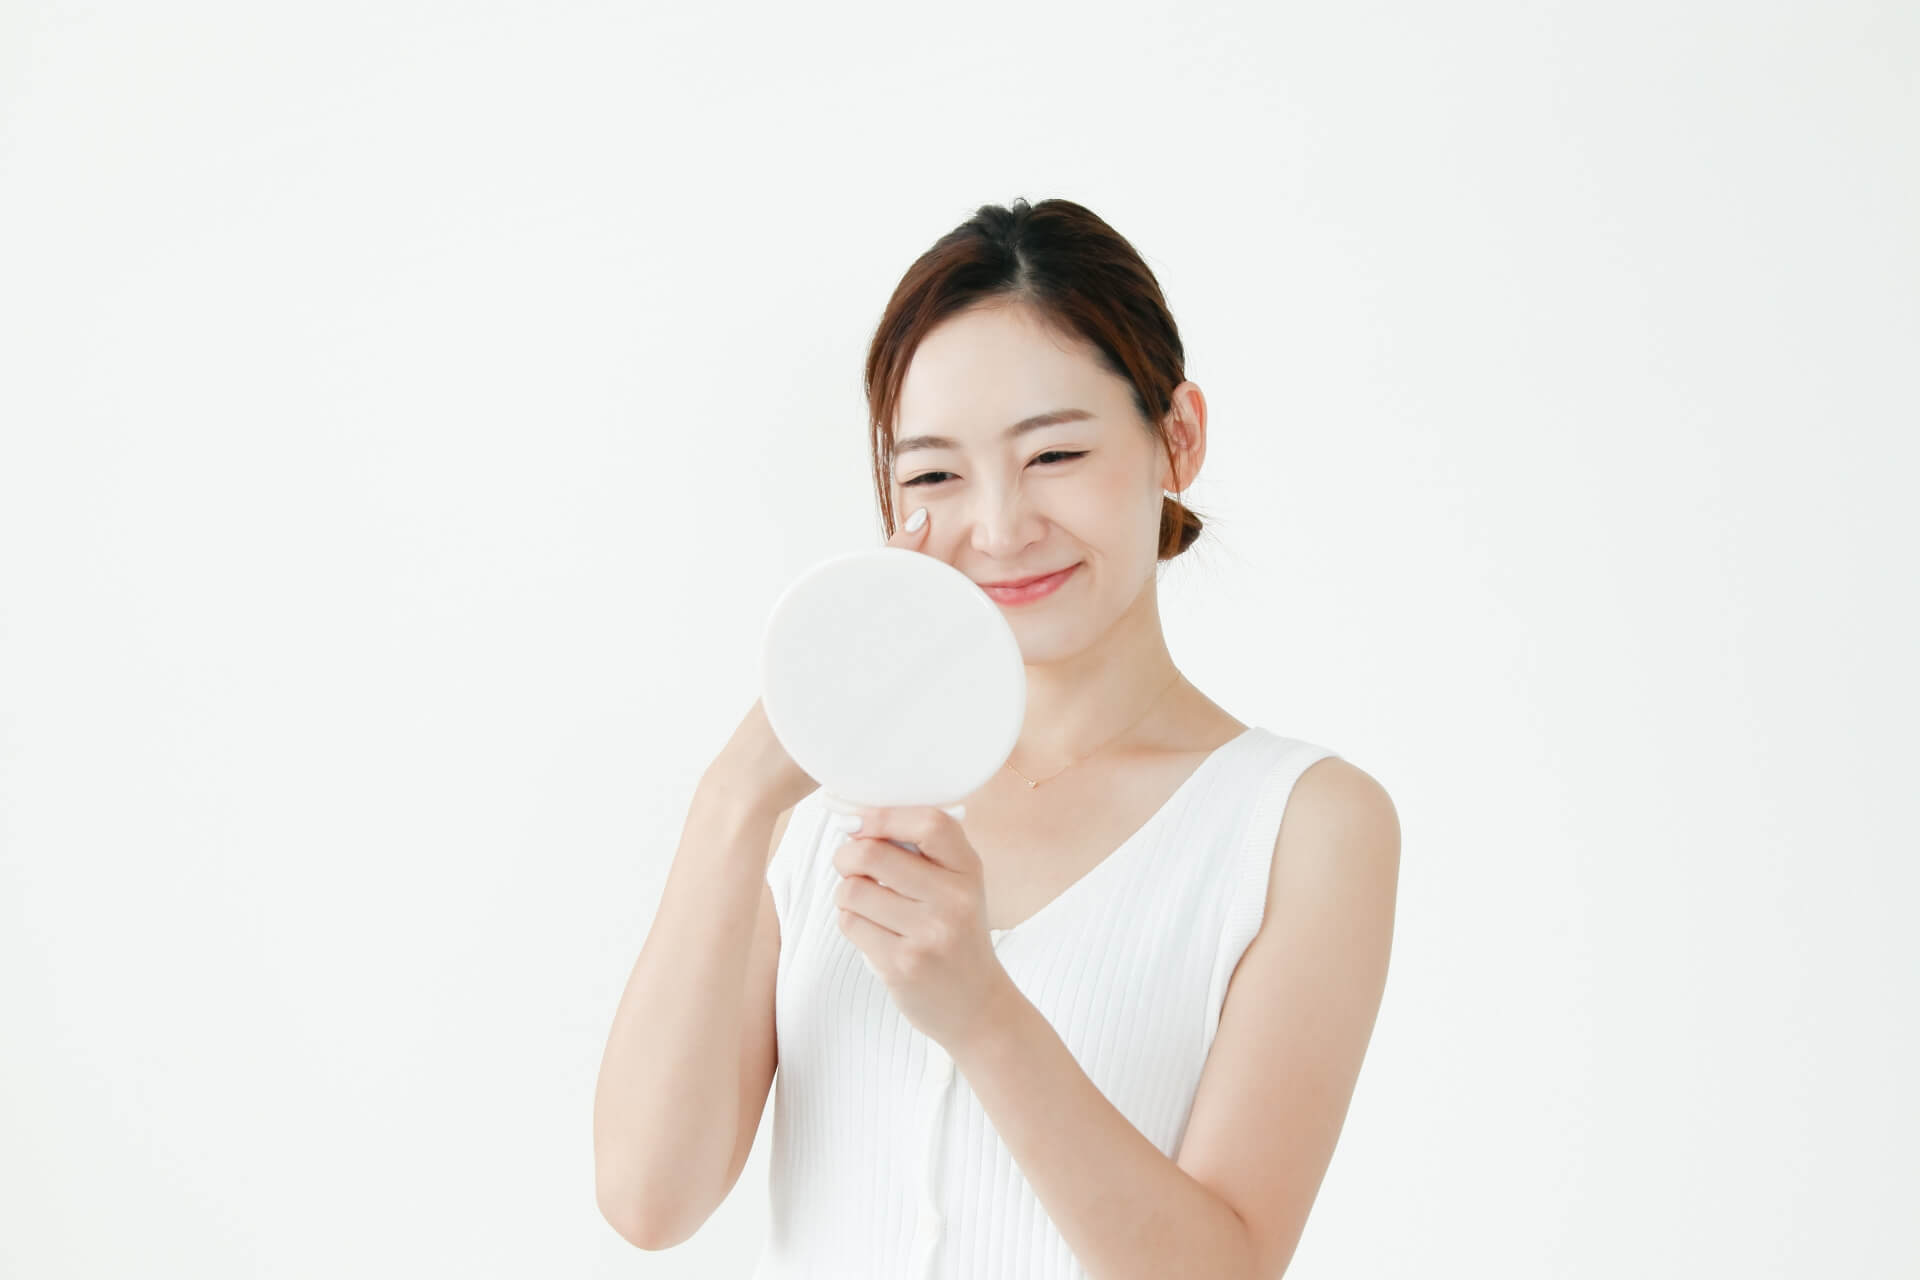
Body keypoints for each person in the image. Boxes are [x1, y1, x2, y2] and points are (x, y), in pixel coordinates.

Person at [594, 197, 1401, 1279]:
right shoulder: (812, 800)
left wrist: (981, 1014)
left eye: (1054, 452)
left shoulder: (1302, 825)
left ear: (1178, 437)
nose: (1001, 527)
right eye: (935, 474)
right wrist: (736, 796)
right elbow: (650, 1200)